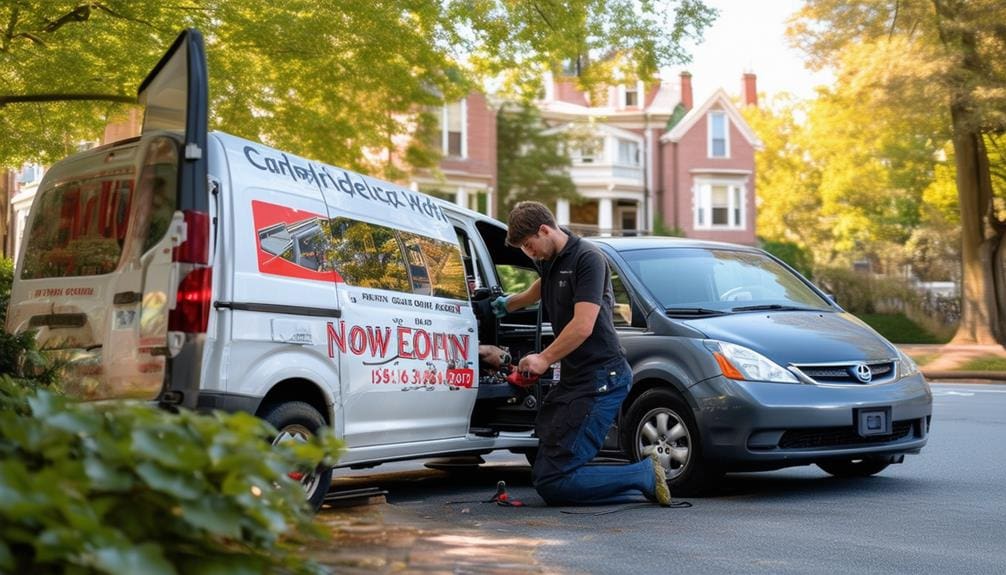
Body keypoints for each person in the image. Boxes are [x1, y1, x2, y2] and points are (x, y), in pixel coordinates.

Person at [493, 201, 671, 506]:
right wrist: (510, 303)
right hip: (576, 378)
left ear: (545, 230)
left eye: (528, 244)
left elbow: (583, 325)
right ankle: (627, 482)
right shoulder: (551, 258)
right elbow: (542, 284)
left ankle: (643, 475)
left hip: (602, 378)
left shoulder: (589, 258)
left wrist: (543, 358)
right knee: (546, 470)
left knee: (555, 482)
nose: (528, 252)